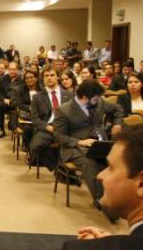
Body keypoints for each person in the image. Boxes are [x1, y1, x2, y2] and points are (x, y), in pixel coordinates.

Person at [53, 80, 124, 212]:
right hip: (74, 147)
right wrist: (79, 142)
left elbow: (118, 109)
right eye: (96, 98)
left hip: (99, 142)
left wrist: (118, 124)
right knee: (90, 164)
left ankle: (118, 197)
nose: (99, 100)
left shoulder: (99, 102)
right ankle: (103, 201)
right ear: (85, 97)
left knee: (117, 160)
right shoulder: (64, 110)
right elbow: (58, 136)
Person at [30, 65, 73, 172]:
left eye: (52, 75)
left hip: (66, 128)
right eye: (46, 76)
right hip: (48, 128)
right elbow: (34, 119)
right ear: (43, 78)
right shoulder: (37, 97)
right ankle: (57, 169)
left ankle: (67, 170)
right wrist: (47, 127)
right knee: (36, 146)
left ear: (58, 77)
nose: (49, 78)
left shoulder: (69, 95)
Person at [0, 62, 22, 138]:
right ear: (8, 70)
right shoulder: (2, 79)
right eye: (10, 69)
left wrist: (15, 100)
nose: (12, 71)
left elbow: (22, 93)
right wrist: (4, 99)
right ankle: (1, 129)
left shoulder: (21, 80)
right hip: (5, 102)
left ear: (17, 70)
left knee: (12, 124)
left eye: (14, 69)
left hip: (16, 103)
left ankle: (12, 125)